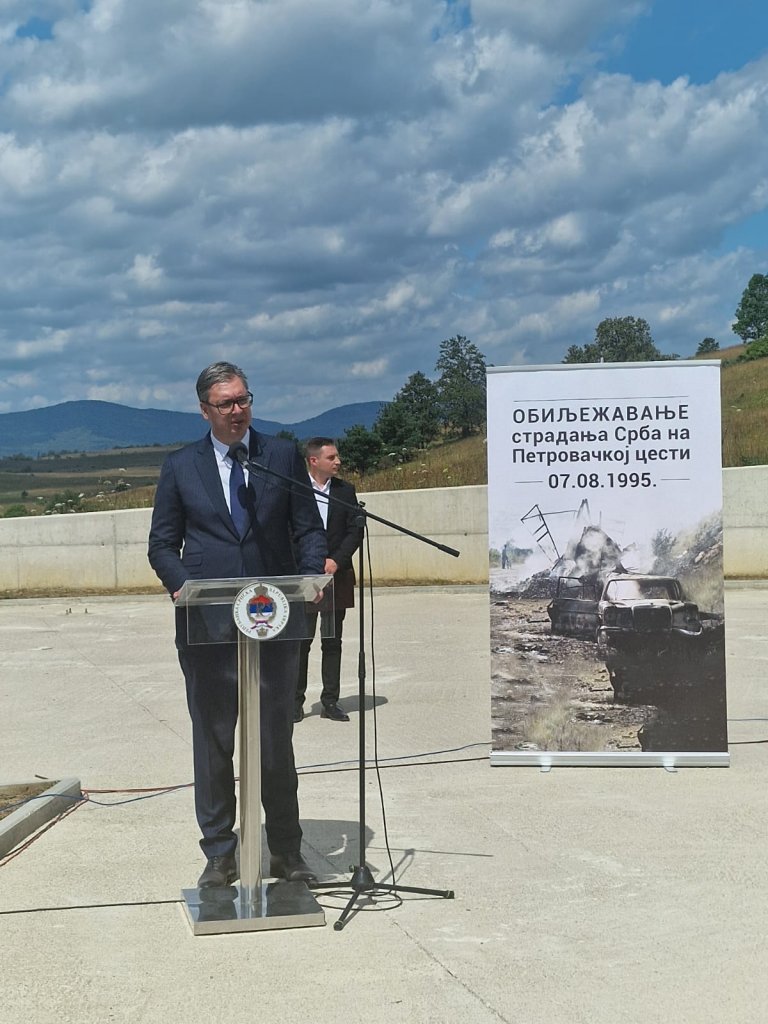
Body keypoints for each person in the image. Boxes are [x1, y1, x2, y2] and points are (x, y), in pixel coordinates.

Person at [148, 361, 326, 889]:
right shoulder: (181, 466)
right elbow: (162, 544)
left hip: (275, 619)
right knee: (214, 740)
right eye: (225, 403)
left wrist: (312, 576)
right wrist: (182, 586)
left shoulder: (280, 456)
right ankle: (220, 854)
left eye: (244, 399)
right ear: (205, 410)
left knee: (275, 740)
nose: (237, 410)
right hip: (207, 625)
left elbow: (307, 529)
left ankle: (286, 851)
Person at [295, 438, 363, 724]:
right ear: (314, 461)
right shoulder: (296, 489)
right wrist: (308, 563)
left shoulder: (345, 491)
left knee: (332, 640)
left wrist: (336, 560)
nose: (338, 462)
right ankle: (294, 701)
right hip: (305, 575)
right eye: (331, 457)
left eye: (337, 457)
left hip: (337, 574)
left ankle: (330, 701)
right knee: (301, 640)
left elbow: (354, 531)